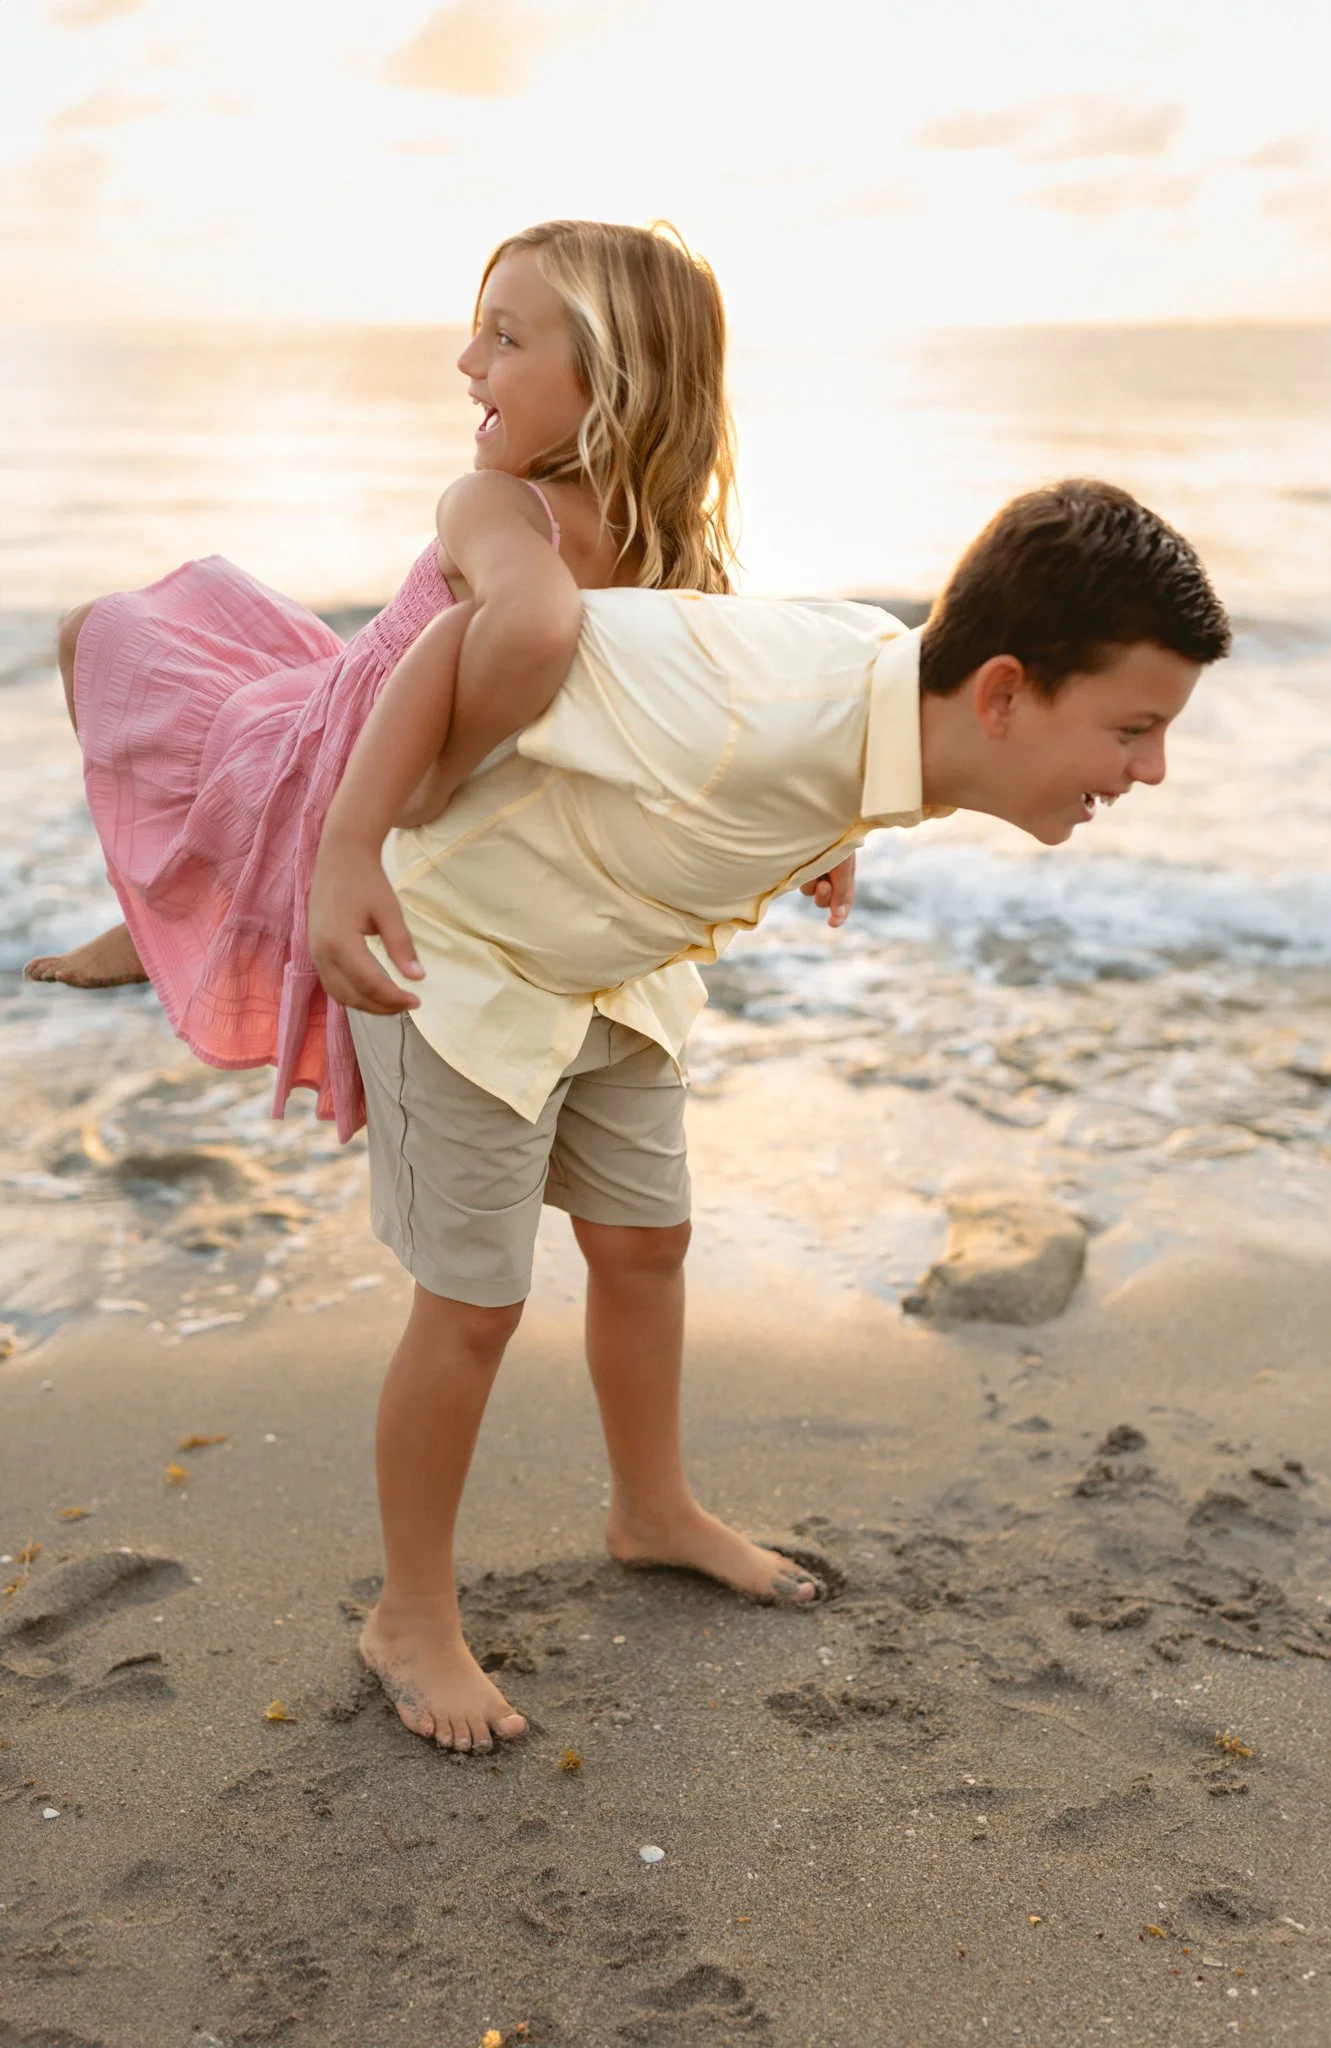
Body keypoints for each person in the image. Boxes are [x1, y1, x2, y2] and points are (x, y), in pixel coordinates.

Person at [307, 477, 1231, 1752]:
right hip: (461, 949)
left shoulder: (893, 716)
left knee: (646, 1242)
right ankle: (411, 1614)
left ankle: (653, 1507)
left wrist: (816, 835)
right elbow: (463, 644)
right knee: (475, 1305)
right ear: (1007, 692)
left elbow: (794, 763)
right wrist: (348, 845)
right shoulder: (754, 707)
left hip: (614, 960)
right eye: (1134, 728)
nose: (1153, 768)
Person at [24, 218, 854, 1141]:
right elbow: (573, 638)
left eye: (503, 337)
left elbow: (710, 684)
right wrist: (439, 771)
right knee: (105, 647)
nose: (466, 360)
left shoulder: (669, 551)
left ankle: (158, 917)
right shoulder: (498, 505)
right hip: (341, 732)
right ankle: (149, 921)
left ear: (614, 379)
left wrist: (818, 826)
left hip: (399, 759)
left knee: (115, 667)